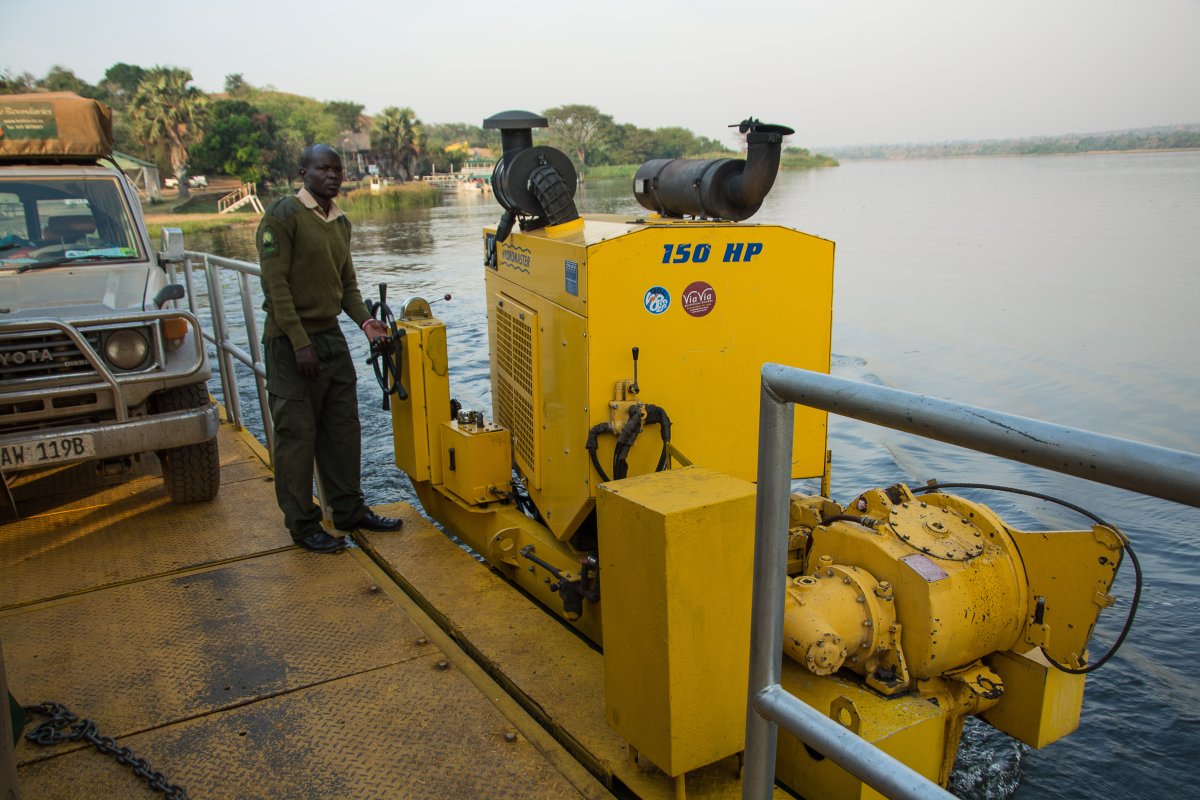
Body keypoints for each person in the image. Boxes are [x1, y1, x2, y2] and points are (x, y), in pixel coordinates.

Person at [256, 144, 402, 553]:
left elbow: (347, 286)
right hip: (291, 341)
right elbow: (276, 287)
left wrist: (367, 324)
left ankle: (348, 510)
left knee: (342, 429)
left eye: (338, 169)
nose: (333, 176)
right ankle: (303, 525)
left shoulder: (339, 222)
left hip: (330, 337)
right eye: (324, 168)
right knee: (296, 436)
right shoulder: (282, 217)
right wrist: (299, 342)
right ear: (303, 171)